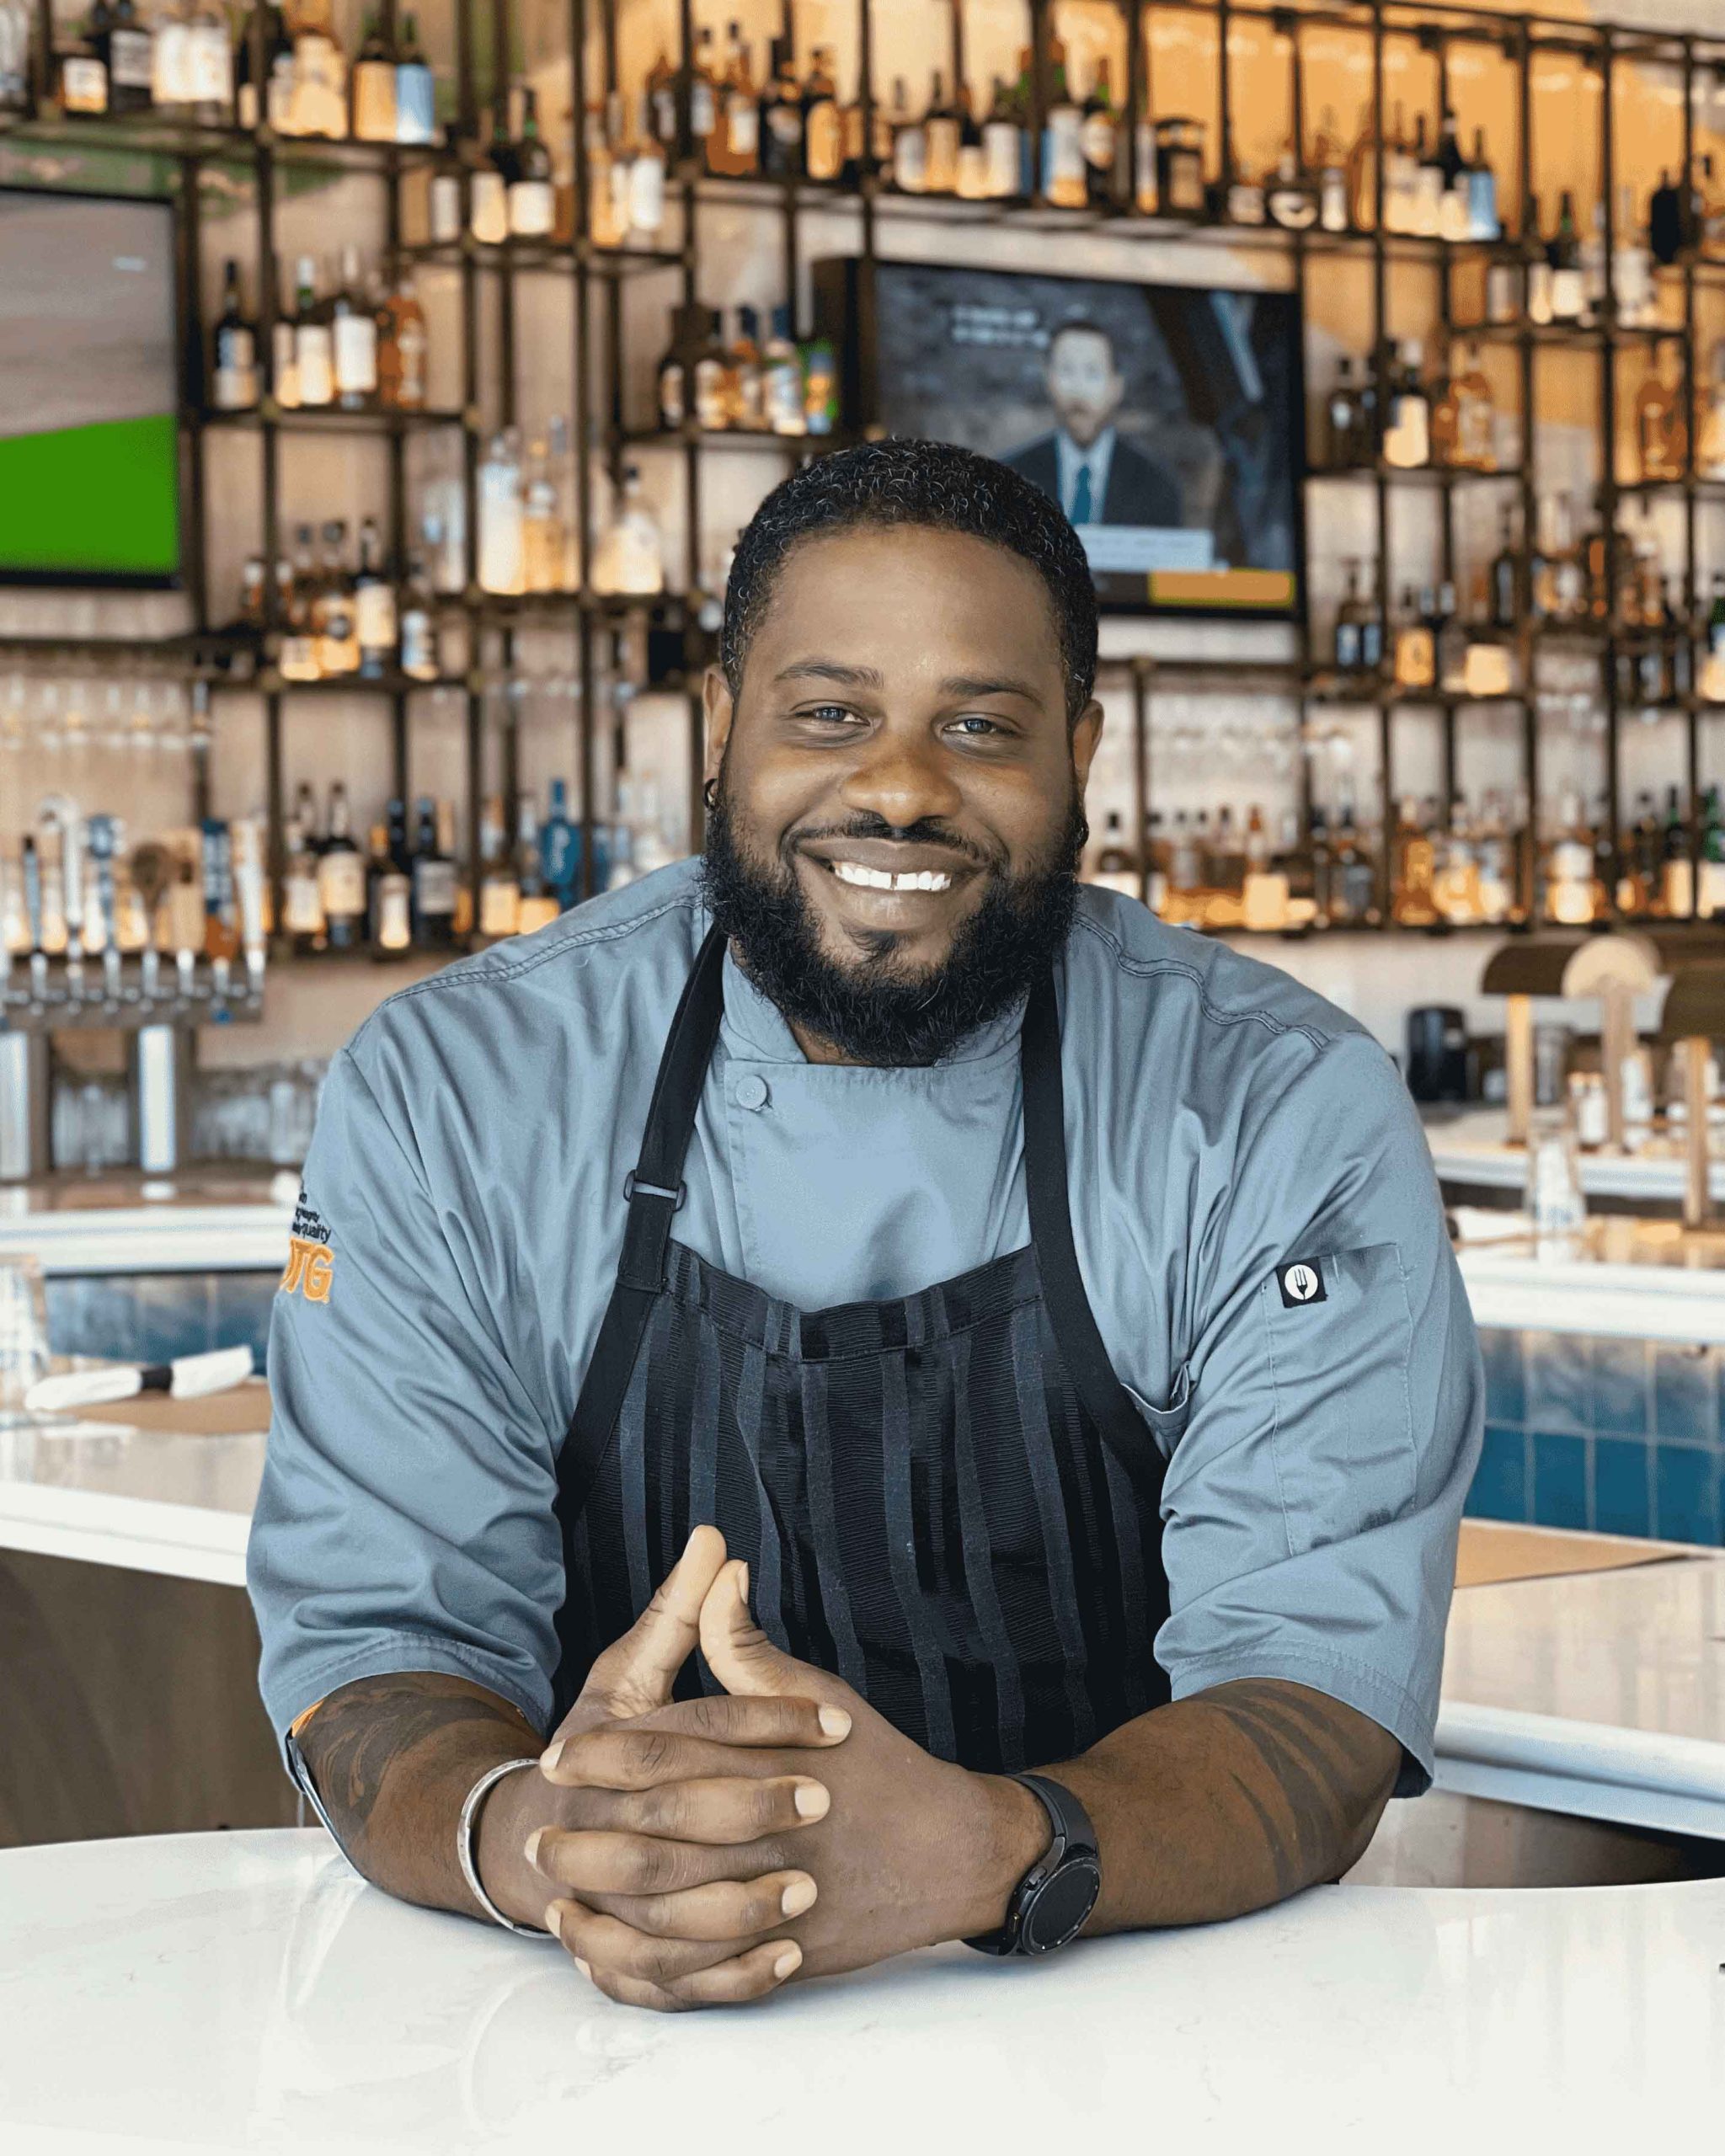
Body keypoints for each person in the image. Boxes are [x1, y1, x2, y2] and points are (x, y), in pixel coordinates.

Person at [248, 440, 1482, 2015]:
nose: (899, 784)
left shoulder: (1269, 1107)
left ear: (1083, 752)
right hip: (584, 2038)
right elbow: (374, 1648)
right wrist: (543, 1841)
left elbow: (1313, 1704)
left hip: (1142, 2038)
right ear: (720, 726)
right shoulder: (459, 1090)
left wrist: (984, 1849)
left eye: (980, 725)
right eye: (828, 714)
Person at [1002, 318, 1181, 528]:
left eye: (1093, 373)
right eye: (1066, 371)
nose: (1079, 391)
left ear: (1116, 386)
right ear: (1048, 380)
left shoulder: (1156, 485)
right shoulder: (1012, 477)